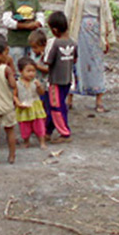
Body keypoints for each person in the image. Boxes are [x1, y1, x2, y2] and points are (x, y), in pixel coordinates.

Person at [64, 0, 117, 113]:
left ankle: (99, 99)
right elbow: (67, 15)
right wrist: (64, 36)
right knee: (74, 64)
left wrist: (108, 38)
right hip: (78, 32)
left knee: (97, 65)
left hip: (96, 33)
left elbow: (107, 17)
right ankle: (69, 99)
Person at [43, 11, 77, 144]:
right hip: (67, 80)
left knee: (56, 107)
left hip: (55, 81)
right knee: (57, 104)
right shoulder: (73, 43)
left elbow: (48, 61)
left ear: (55, 30)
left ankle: (64, 132)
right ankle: (48, 131)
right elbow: (75, 59)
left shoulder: (55, 44)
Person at [2, 0, 44, 66]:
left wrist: (37, 23)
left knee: (32, 67)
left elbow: (40, 16)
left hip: (33, 42)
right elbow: (7, 20)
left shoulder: (34, 0)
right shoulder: (11, 0)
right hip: (16, 41)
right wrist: (25, 26)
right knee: (17, 67)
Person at [15, 57, 47, 149]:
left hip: (35, 106)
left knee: (39, 124)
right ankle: (26, 141)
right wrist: (18, 103)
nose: (31, 74)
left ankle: (42, 141)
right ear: (21, 71)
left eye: (33, 71)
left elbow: (41, 93)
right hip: (24, 106)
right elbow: (14, 95)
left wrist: (39, 87)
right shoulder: (17, 83)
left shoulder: (36, 82)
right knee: (25, 126)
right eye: (28, 71)